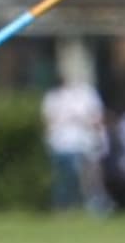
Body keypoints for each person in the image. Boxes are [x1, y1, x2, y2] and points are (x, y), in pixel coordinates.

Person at [42, 72, 107, 215]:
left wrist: (85, 123)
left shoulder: (87, 94)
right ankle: (64, 208)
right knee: (64, 179)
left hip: (84, 145)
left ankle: (93, 207)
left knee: (89, 178)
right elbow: (48, 122)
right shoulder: (53, 97)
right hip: (60, 145)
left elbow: (97, 118)